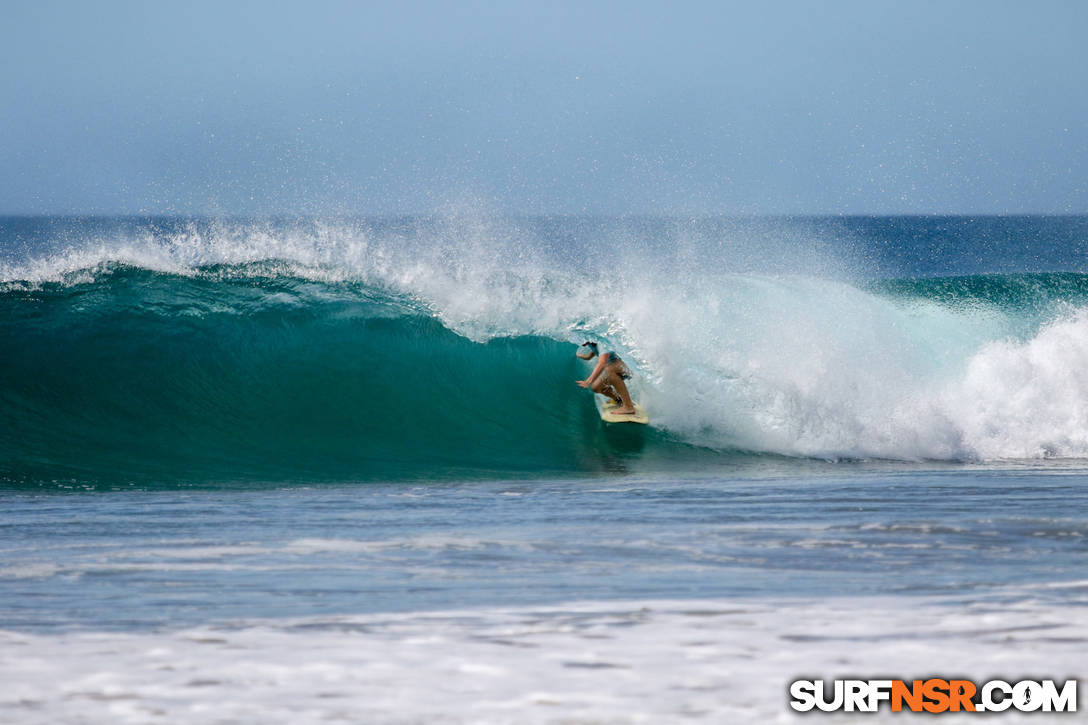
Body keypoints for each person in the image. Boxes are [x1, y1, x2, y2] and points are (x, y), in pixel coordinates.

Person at [575, 342, 637, 415]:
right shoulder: (593, 344)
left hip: (626, 366)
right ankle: (618, 399)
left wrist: (588, 381)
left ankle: (628, 407)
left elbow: (602, 363)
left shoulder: (602, 343)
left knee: (608, 369)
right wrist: (579, 355)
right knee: (596, 387)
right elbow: (589, 357)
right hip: (613, 368)